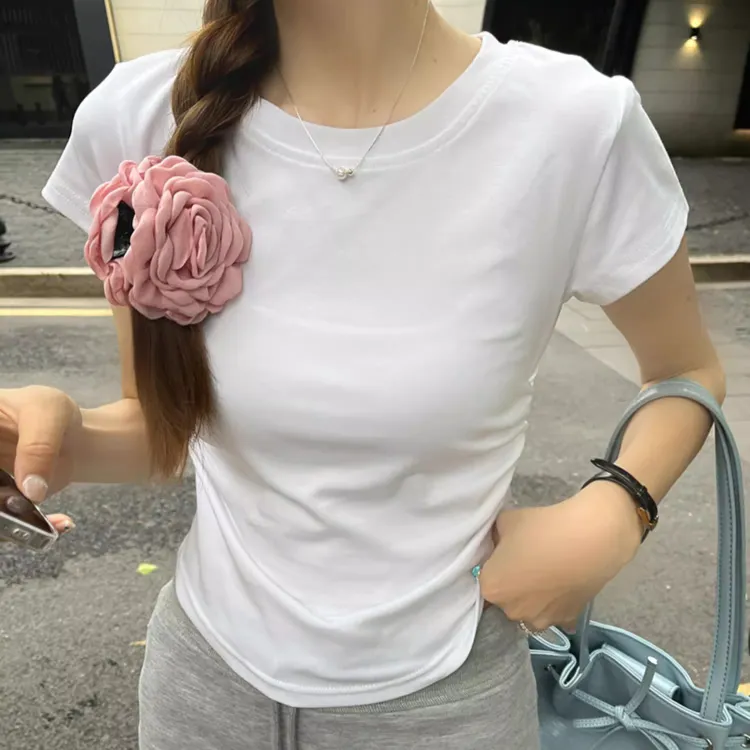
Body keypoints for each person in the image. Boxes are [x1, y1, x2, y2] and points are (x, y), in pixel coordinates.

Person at [0, 1, 725, 748]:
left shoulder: (574, 126)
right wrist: (64, 441)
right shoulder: (141, 114)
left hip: (446, 705)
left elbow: (686, 370)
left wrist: (617, 509)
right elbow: (160, 427)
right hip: (201, 691)